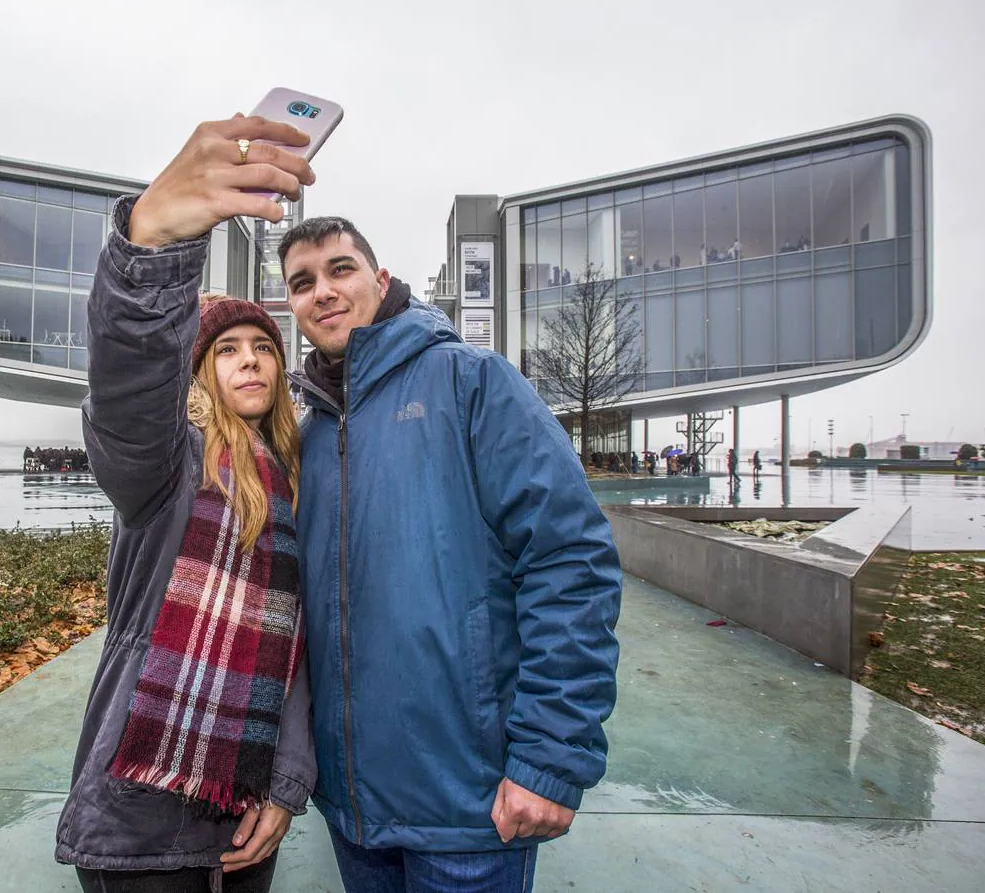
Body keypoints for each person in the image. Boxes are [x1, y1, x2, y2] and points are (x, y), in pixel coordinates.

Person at [279, 219, 622, 883]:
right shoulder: (309, 432)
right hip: (351, 810)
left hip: (470, 803)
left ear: (380, 282)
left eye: (340, 269)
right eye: (302, 282)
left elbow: (568, 564)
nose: (322, 291)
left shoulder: (472, 383)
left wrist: (550, 760)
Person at [56, 113, 319, 893]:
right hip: (138, 814)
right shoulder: (165, 465)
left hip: (243, 811)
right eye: (226, 350)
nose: (249, 362)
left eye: (262, 347)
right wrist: (153, 251)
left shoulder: (298, 485)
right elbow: (130, 378)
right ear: (200, 373)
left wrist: (285, 788)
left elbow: (301, 653)